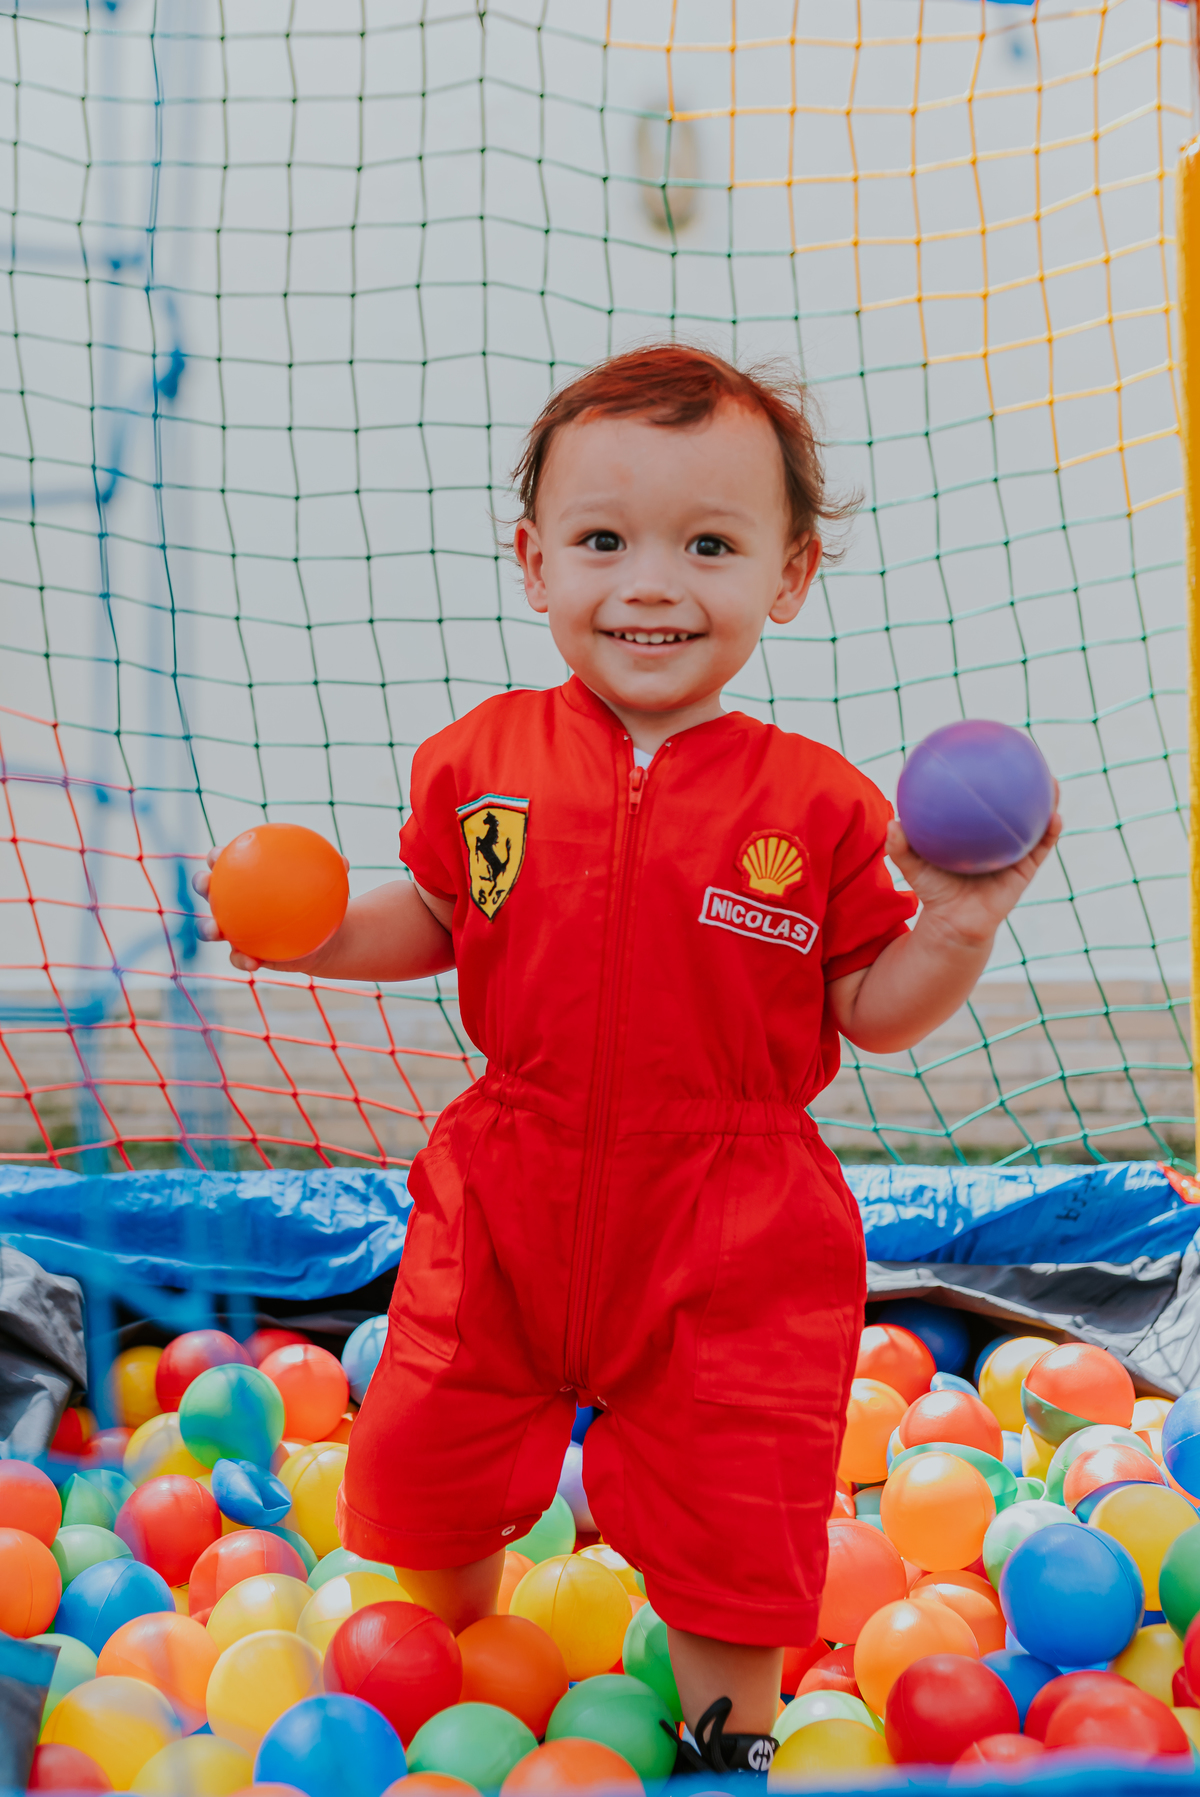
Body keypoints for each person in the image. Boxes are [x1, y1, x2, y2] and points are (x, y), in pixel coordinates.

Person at [195, 344, 1060, 1775]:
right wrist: (312, 932)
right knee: (426, 1458)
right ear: (535, 562)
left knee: (737, 1489)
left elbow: (872, 1002)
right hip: (511, 1186)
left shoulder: (819, 806)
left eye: (709, 545)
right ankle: (461, 1653)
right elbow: (429, 910)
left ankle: (732, 1737)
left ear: (789, 575)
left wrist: (957, 922)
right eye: (604, 541)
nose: (651, 584)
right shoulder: (481, 760)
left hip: (732, 1220)